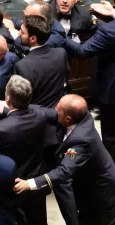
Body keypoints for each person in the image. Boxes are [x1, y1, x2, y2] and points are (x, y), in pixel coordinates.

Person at [8, 94, 115, 225]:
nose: (54, 110)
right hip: (85, 182)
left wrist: (29, 184)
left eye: (58, 110)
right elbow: (44, 111)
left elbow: (63, 172)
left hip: (100, 191)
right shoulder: (79, 116)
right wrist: (8, 107)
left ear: (68, 118)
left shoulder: (83, 140)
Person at [0, 75, 49, 225]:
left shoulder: (1, 129)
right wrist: (4, 109)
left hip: (14, 186)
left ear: (7, 98)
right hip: (36, 181)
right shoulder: (41, 116)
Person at [64, 1, 115, 160]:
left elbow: (82, 51)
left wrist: (58, 34)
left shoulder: (109, 30)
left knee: (110, 135)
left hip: (111, 92)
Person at [14, 15, 69, 108]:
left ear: (33, 39)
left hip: (36, 115)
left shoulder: (22, 66)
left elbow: (21, 101)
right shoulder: (61, 53)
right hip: (58, 111)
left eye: (22, 32)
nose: (19, 33)